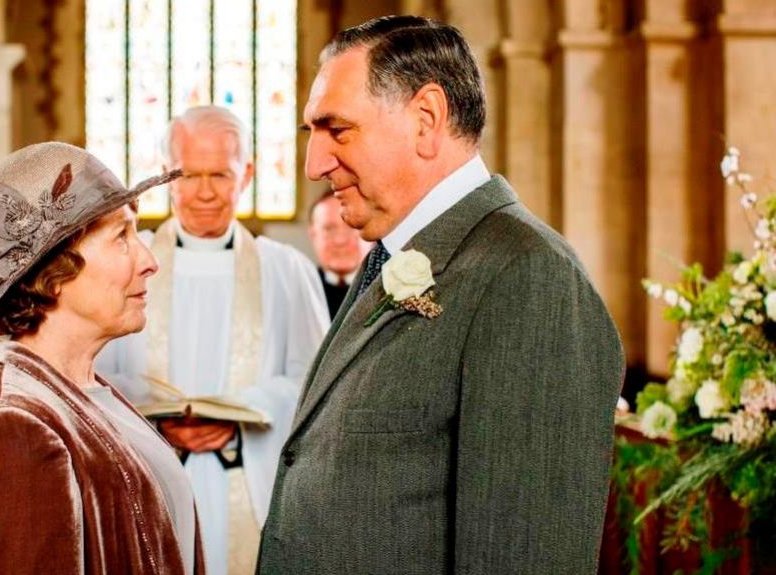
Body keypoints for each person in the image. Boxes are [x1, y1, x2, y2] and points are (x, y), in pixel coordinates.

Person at [258, 16, 624, 575]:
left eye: (338, 129)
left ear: (426, 119)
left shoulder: (527, 276)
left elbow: (523, 557)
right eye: (313, 132)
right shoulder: (392, 253)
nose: (314, 165)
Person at [0, 142, 203, 574]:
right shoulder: (17, 432)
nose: (149, 261)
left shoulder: (85, 392)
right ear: (56, 270)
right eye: (122, 237)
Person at [97, 105, 329, 575]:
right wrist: (155, 421)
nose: (205, 192)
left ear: (247, 174)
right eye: (189, 175)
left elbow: (318, 385)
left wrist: (242, 415)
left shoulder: (285, 270)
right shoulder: (123, 266)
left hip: (247, 483)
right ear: (166, 175)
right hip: (148, 476)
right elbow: (91, 374)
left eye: (220, 175)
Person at [307, 188, 370, 318]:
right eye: (329, 229)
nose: (340, 240)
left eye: (352, 226)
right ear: (313, 235)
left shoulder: (390, 289)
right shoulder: (299, 290)